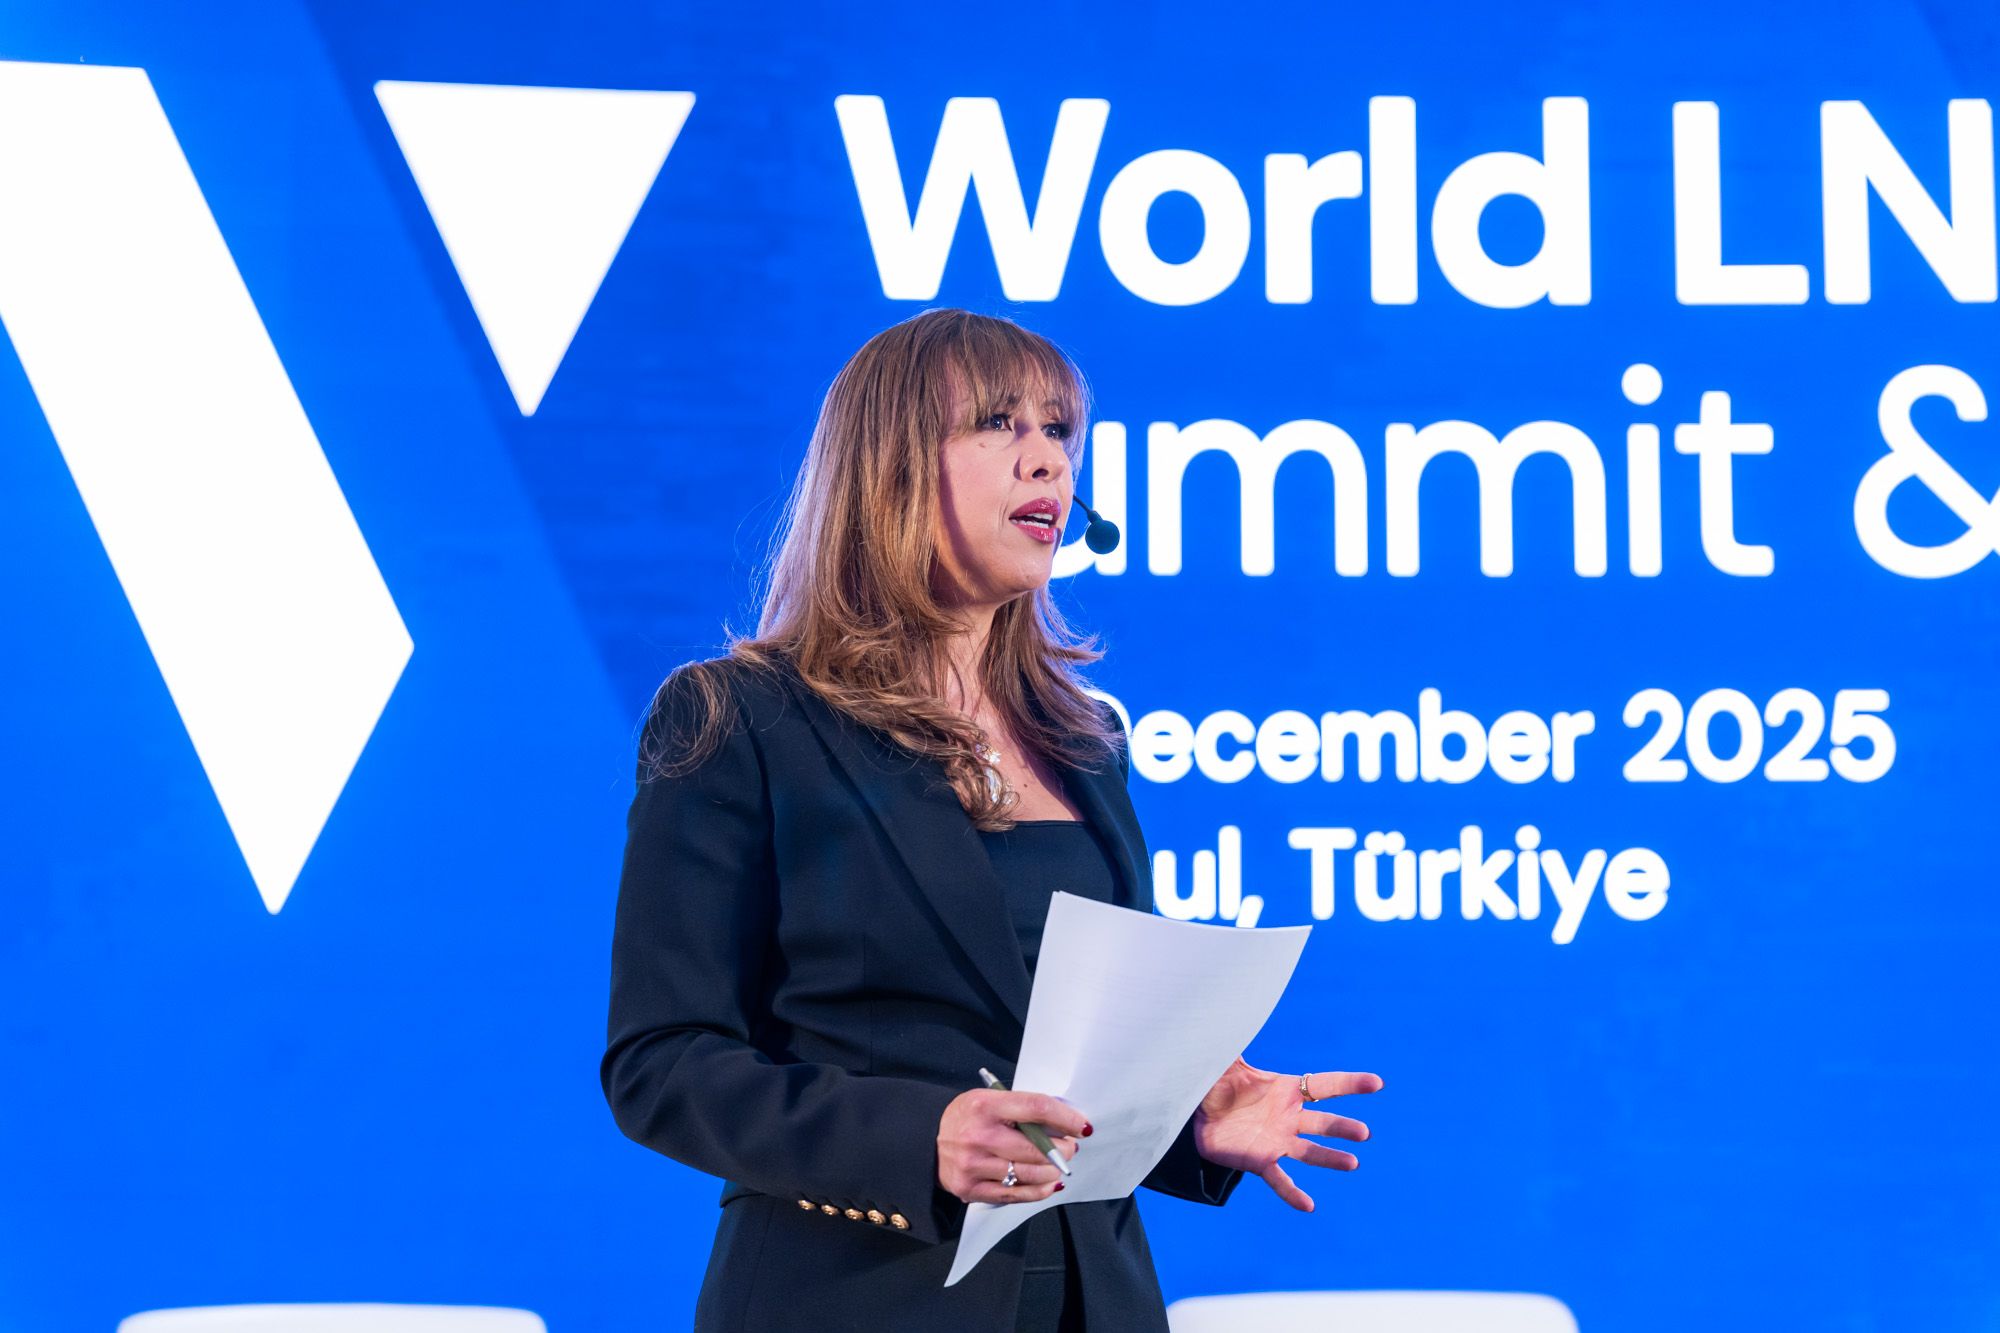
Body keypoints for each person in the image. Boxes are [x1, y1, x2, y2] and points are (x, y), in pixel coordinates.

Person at [600, 308, 1383, 1331]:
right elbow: (660, 1061)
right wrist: (917, 1136)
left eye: (1058, 432)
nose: (1047, 461)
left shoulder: (1086, 740)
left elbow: (1072, 1066)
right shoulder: (740, 719)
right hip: (849, 1298)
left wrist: (1187, 1116)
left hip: (1092, 1299)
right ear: (888, 465)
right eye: (997, 424)